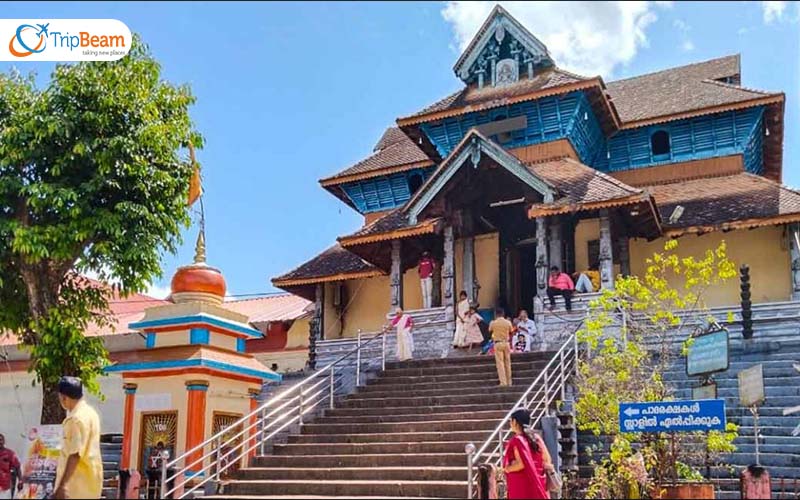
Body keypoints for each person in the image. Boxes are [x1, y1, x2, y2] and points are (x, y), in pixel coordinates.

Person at [54, 376, 103, 499]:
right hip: (91, 484)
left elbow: (75, 454)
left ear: (64, 398)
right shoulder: (91, 414)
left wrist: (62, 486)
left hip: (75, 486)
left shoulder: (75, 419)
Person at [502, 409, 551, 499]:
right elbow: (547, 459)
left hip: (521, 486)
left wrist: (507, 469)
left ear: (514, 422)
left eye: (510, 421)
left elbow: (521, 464)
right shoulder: (536, 438)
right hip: (538, 483)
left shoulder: (517, 440)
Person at [488, 308, 514, 386]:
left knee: (500, 363)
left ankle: (503, 382)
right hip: (506, 342)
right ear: (503, 314)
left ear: (495, 314)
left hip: (498, 343)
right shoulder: (508, 322)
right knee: (508, 363)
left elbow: (489, 330)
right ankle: (509, 382)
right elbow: (511, 331)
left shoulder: (493, 323)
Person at [0, 434, 21, 500]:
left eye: (1, 440)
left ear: (4, 441)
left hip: (4, 488)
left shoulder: (9, 453)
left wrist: (20, 480)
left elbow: (17, 467)